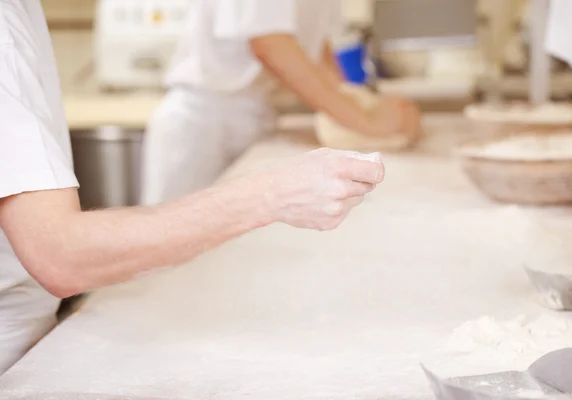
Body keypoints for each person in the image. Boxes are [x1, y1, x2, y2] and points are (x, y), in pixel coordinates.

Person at [0, 0, 385, 375]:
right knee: (167, 296)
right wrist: (271, 193)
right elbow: (60, 256)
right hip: (10, 338)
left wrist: (361, 107)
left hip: (26, 321)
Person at [140, 0, 421, 205]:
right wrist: (366, 122)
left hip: (255, 114)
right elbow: (270, 45)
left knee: (230, 256)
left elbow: (315, 50)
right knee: (169, 261)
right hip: (202, 123)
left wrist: (360, 108)